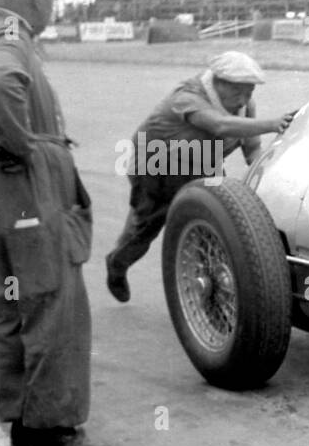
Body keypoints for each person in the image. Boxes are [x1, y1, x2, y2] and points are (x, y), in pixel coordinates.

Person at [0, 0, 111, 446]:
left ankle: (24, 419)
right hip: (22, 183)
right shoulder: (11, 36)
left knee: (12, 304)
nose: (54, 9)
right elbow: (0, 85)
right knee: (53, 303)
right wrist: (23, 144)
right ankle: (53, 428)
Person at [104, 51, 294, 301]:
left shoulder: (245, 106)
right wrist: (273, 124)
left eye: (250, 91)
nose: (244, 99)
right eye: (238, 91)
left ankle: (211, 292)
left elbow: (252, 148)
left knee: (220, 221)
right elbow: (220, 125)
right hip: (157, 164)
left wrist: (270, 179)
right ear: (218, 83)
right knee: (145, 227)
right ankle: (117, 263)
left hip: (202, 160)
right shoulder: (187, 97)